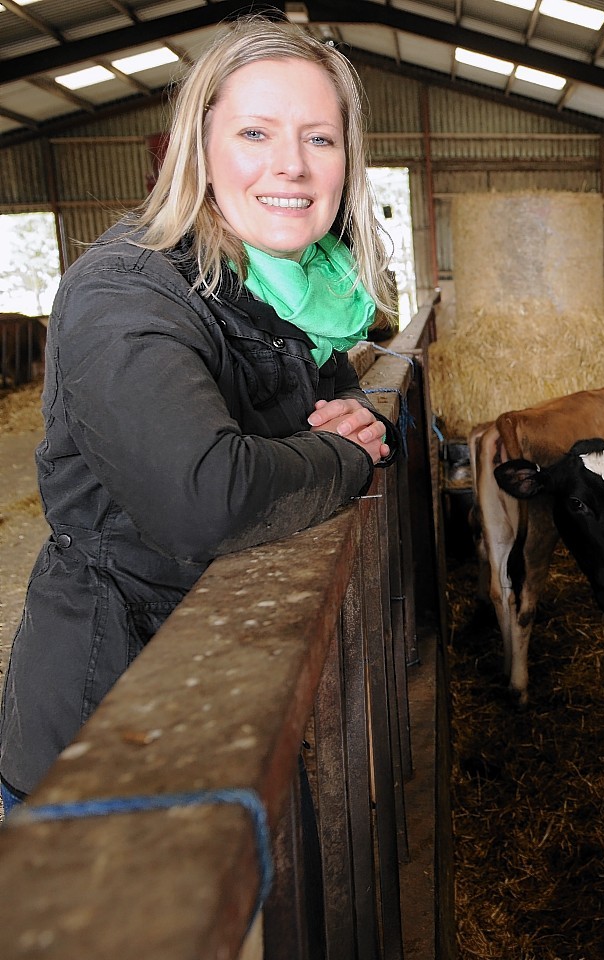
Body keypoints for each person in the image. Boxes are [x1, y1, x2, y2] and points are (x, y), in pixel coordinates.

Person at [0, 16, 400, 811]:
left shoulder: (289, 282)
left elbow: (338, 396)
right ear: (199, 144)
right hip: (105, 711)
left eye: (320, 139)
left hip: (224, 680)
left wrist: (348, 420)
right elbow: (202, 496)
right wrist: (346, 457)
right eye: (256, 131)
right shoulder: (125, 289)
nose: (292, 164)